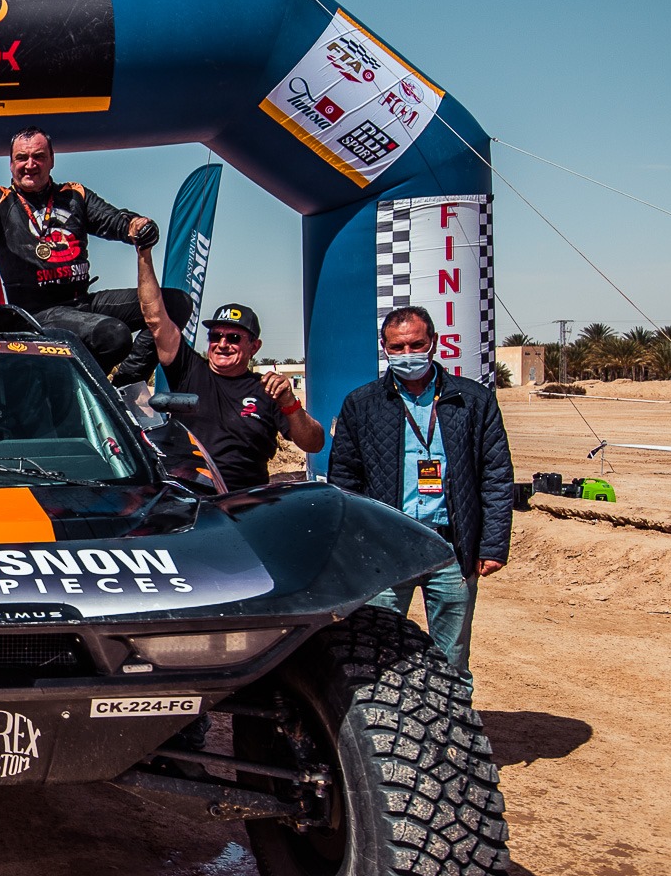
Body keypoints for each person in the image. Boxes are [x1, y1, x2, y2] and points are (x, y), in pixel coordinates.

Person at [0, 83, 188, 378]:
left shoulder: (74, 195)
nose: (31, 165)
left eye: (39, 157)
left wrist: (139, 226)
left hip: (83, 301)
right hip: (38, 312)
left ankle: (123, 384)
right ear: (11, 163)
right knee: (113, 335)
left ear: (52, 160)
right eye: (22, 158)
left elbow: (117, 221)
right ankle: (86, 390)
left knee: (177, 303)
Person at [328, 305, 514, 678]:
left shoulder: (473, 400)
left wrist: (492, 546)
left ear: (434, 343)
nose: (407, 354)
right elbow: (344, 481)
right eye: (397, 347)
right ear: (384, 347)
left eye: (416, 344)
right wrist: (354, 546)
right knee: (376, 654)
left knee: (453, 658)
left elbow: (496, 474)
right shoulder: (362, 404)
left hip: (451, 547)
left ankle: (452, 732)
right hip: (387, 548)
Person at [134, 249, 325, 488]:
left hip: (247, 502)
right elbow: (155, 318)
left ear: (254, 346)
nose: (222, 344)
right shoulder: (188, 369)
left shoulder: (267, 390)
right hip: (191, 495)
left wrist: (290, 404)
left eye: (234, 337)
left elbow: (314, 443)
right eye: (215, 336)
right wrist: (144, 254)